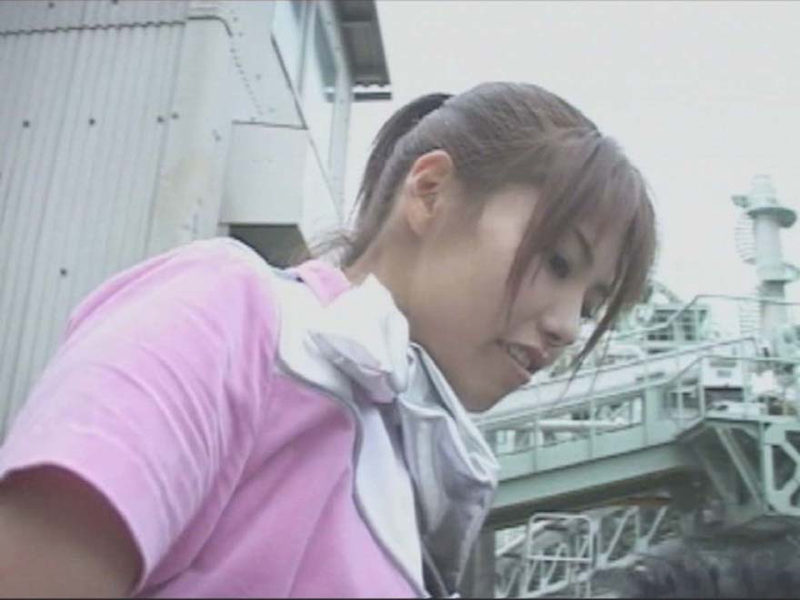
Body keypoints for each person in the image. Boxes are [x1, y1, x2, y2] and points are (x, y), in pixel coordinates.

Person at [0, 82, 656, 597]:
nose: (567, 326)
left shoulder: (410, 468)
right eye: (558, 262)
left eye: (592, 304)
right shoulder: (234, 314)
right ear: (429, 192)